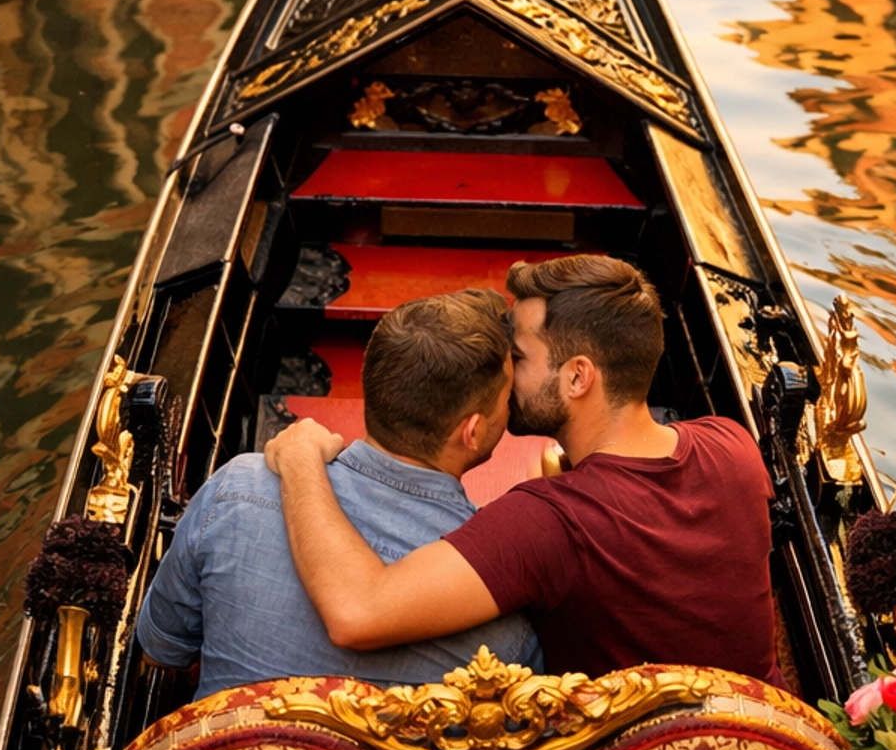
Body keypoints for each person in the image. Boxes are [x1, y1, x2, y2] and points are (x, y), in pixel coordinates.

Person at [266, 253, 780, 682]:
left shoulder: (545, 524)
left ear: (578, 377)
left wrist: (300, 460)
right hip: (770, 738)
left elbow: (358, 612)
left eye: (519, 356)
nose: (506, 372)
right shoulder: (732, 445)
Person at [134, 288, 541, 694]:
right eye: (506, 398)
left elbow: (159, 652)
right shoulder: (503, 615)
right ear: (472, 432)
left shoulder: (236, 487)